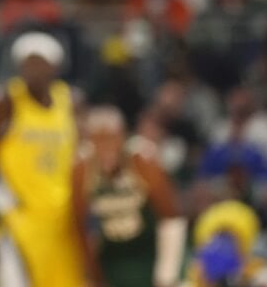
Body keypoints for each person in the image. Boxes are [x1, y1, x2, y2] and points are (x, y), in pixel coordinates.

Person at [0, 31, 86, 286]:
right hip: (17, 221)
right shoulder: (5, 101)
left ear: (55, 66)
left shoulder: (71, 101)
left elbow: (83, 162)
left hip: (62, 222)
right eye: (27, 63)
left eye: (39, 63)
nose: (32, 70)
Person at [72, 105, 186, 287]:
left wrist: (167, 275)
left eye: (111, 139)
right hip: (112, 259)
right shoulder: (81, 170)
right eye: (99, 141)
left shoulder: (143, 161)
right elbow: (79, 226)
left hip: (148, 254)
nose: (105, 148)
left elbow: (171, 219)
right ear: (90, 142)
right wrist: (93, 276)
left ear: (123, 136)